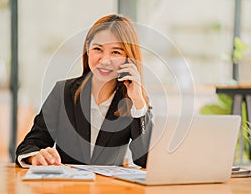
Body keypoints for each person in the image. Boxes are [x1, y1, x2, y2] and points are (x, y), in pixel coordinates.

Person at [16, 14, 153, 168]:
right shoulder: (63, 92)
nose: (104, 60)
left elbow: (145, 160)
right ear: (88, 49)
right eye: (98, 49)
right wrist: (35, 157)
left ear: (129, 57)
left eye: (115, 52)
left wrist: (138, 102)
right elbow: (30, 145)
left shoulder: (134, 102)